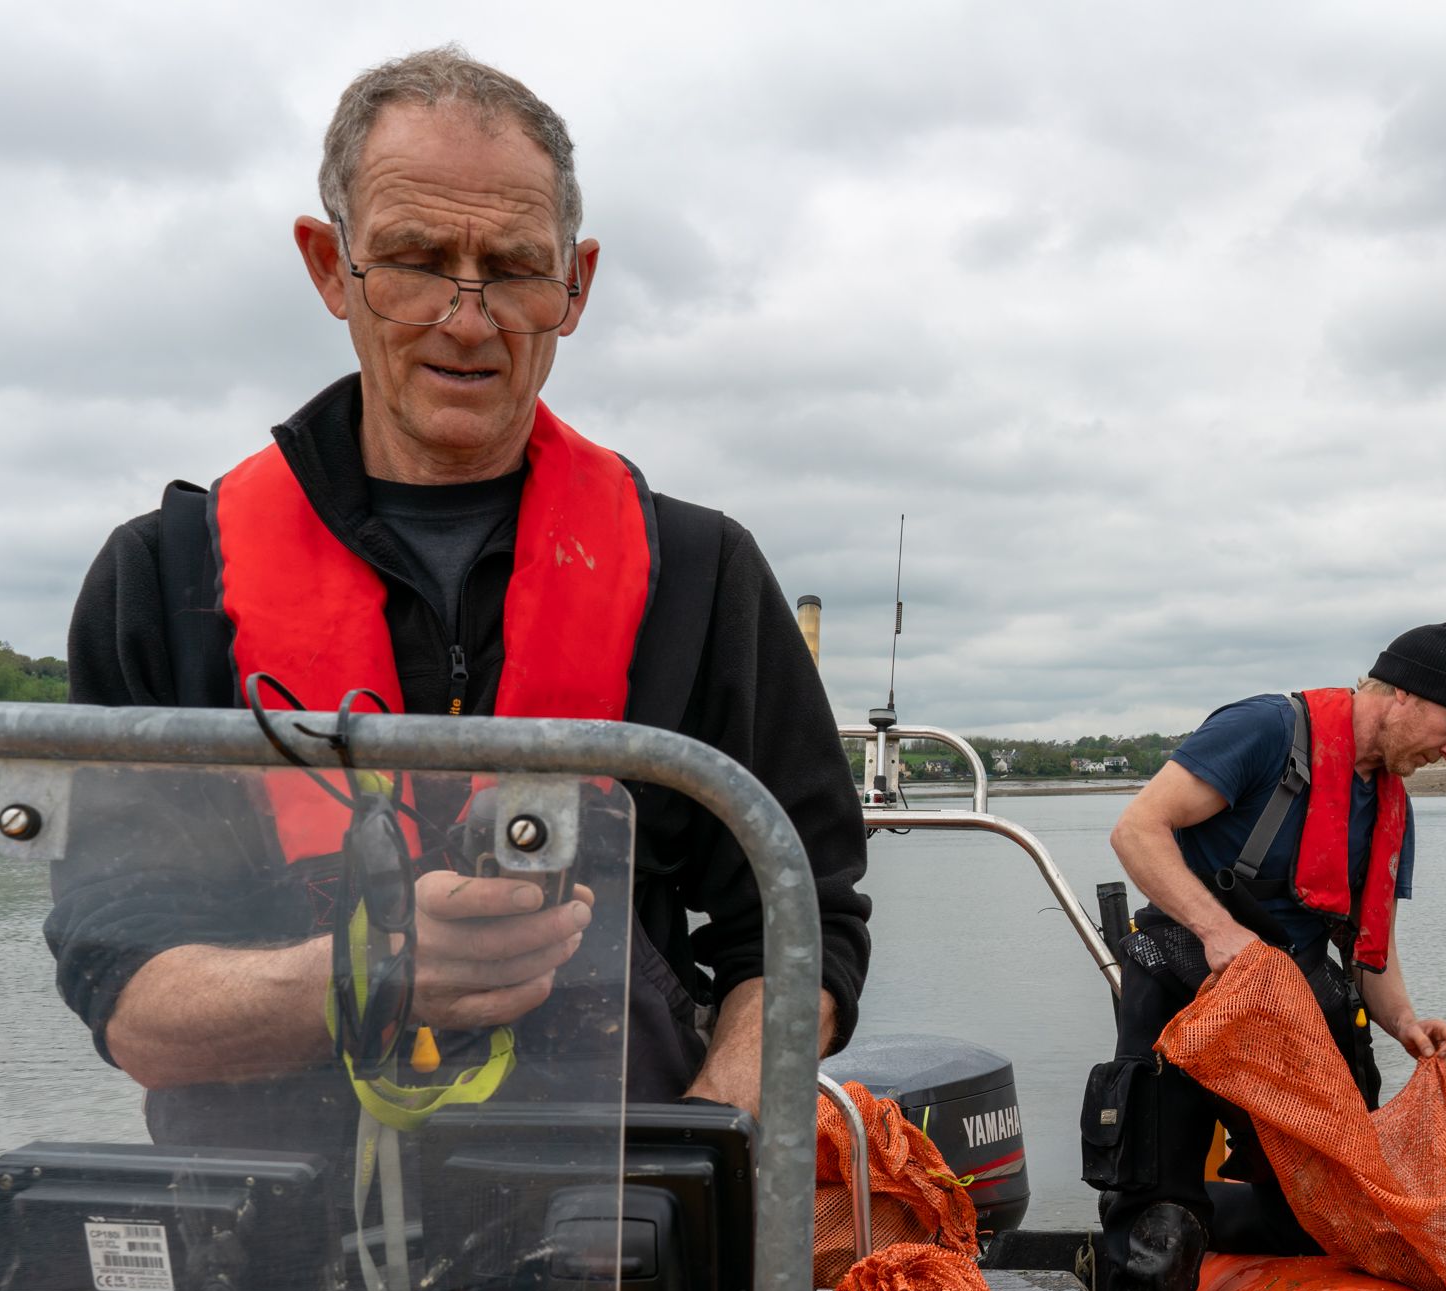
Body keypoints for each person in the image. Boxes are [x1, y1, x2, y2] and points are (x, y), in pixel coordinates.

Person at [47, 47, 868, 1153]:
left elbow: (803, 931)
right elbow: (126, 990)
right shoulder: (161, 581)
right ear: (330, 266)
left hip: (615, 1251)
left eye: (515, 269)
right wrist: (372, 977)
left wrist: (705, 1157)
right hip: (260, 1266)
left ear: (574, 284)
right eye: (416, 260)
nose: (468, 320)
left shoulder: (703, 574)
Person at [1089, 621, 1446, 1291]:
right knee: (1160, 1231)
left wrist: (1405, 1020)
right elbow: (1136, 829)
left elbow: (1373, 945)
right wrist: (1218, 932)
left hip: (1292, 1014)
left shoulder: (1392, 807)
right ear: (1402, 694)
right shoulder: (1264, 732)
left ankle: (1202, 1227)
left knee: (1322, 1221)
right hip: (1186, 989)